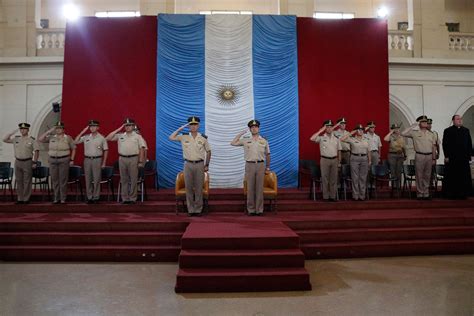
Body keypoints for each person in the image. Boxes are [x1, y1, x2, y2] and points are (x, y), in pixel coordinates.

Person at [170, 116, 211, 216]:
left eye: (195, 125)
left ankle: (198, 209)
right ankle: (191, 209)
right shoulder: (183, 136)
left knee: (198, 187)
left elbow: (209, 151)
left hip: (199, 164)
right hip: (188, 164)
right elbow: (171, 137)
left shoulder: (203, 138)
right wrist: (180, 128)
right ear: (188, 126)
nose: (193, 127)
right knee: (188, 187)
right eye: (191, 125)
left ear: (198, 125)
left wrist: (206, 164)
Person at [231, 119, 270, 215]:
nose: (254, 129)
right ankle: (251, 210)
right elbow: (233, 143)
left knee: (259, 188)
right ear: (249, 129)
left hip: (261, 165)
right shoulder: (246, 140)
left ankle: (259, 210)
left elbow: (268, 154)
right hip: (249, 165)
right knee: (250, 188)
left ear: (258, 128)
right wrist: (241, 133)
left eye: (256, 127)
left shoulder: (264, 140)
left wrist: (267, 167)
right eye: (252, 127)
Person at [106, 118, 146, 204]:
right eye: (126, 125)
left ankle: (132, 198)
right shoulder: (120, 135)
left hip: (133, 158)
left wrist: (140, 161)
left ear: (133, 126)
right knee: (124, 179)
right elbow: (108, 138)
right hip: (122, 158)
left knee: (133, 179)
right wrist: (119, 128)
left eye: (129, 125)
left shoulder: (137, 136)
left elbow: (142, 148)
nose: (128, 127)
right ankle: (125, 198)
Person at [38, 121, 76, 204]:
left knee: (63, 179)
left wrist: (72, 159)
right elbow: (40, 139)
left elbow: (74, 148)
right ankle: (56, 197)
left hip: (64, 159)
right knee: (54, 179)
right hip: (52, 160)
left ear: (63, 129)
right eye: (57, 128)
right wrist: (49, 131)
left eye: (60, 128)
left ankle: (63, 198)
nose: (58, 130)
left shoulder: (68, 138)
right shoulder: (52, 137)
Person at [2, 123, 39, 204]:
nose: (22, 130)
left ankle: (26, 199)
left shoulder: (32, 140)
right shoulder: (16, 139)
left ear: (28, 130)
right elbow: (4, 139)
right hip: (18, 161)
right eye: (21, 129)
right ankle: (20, 198)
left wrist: (35, 162)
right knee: (19, 181)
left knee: (27, 181)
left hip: (28, 161)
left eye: (24, 129)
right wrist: (12, 133)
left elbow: (36, 151)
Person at [401, 115, 436, 200]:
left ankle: (426, 193)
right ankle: (420, 193)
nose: (425, 123)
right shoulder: (415, 132)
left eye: (426, 122)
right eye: (423, 122)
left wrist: (434, 158)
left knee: (427, 175)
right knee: (419, 175)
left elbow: (434, 147)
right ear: (419, 123)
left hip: (429, 155)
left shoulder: (432, 134)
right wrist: (412, 126)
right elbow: (403, 133)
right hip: (419, 155)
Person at [74, 120, 109, 204]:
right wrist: (83, 131)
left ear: (98, 127)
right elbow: (75, 141)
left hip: (97, 159)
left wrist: (104, 162)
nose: (92, 128)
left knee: (96, 179)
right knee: (88, 179)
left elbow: (106, 150)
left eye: (94, 126)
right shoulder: (86, 137)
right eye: (90, 126)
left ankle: (96, 197)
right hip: (87, 159)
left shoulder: (102, 138)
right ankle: (89, 197)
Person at [442, 114, 472, 199]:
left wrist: (469, 156)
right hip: (452, 158)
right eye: (458, 119)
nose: (460, 120)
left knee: (463, 176)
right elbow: (445, 144)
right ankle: (451, 194)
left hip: (463, 159)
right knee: (452, 177)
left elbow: (469, 143)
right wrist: (446, 156)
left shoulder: (466, 130)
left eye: (460, 119)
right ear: (453, 121)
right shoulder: (448, 131)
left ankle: (463, 194)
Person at [310, 119, 341, 201]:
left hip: (334, 160)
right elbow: (312, 138)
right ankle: (326, 197)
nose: (329, 128)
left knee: (334, 179)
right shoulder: (321, 137)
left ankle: (333, 196)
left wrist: (339, 162)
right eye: (327, 127)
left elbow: (339, 150)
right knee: (325, 179)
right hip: (325, 160)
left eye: (331, 127)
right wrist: (320, 131)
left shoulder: (336, 138)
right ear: (324, 128)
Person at [341, 124, 371, 201]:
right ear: (356, 131)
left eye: (362, 130)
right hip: (354, 158)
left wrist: (369, 160)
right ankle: (355, 195)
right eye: (359, 130)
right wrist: (351, 133)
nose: (361, 131)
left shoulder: (366, 139)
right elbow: (342, 139)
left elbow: (369, 151)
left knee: (363, 178)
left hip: (364, 158)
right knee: (355, 178)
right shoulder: (352, 139)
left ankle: (362, 195)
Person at [383, 123, 406, 189]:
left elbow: (403, 147)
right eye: (395, 128)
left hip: (400, 155)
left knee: (398, 171)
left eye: (398, 128)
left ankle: (398, 186)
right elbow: (385, 139)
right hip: (392, 155)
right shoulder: (391, 136)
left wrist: (405, 155)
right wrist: (391, 132)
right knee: (393, 171)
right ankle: (394, 186)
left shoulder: (401, 137)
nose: (397, 129)